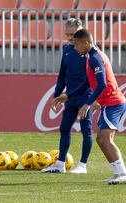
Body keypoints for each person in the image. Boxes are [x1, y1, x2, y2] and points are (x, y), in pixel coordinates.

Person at [61, 29, 126, 184]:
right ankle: (119, 174)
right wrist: (69, 95)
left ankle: (122, 173)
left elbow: (102, 84)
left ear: (86, 43)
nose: (75, 48)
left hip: (113, 103)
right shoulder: (91, 56)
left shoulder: (95, 58)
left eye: (77, 44)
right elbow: (88, 83)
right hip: (111, 104)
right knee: (103, 139)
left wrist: (87, 104)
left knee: (104, 139)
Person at [42, 18, 94, 174]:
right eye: (68, 34)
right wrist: (57, 95)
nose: (71, 38)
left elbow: (95, 79)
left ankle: (83, 165)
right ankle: (60, 164)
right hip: (70, 96)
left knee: (86, 129)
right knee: (64, 127)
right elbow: (62, 75)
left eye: (73, 34)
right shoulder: (67, 50)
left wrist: (93, 100)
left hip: (85, 96)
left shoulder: (90, 51)